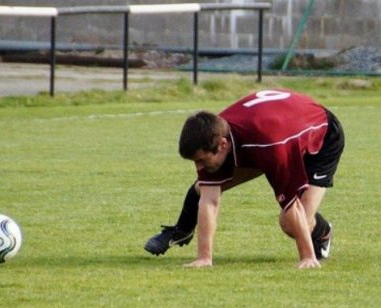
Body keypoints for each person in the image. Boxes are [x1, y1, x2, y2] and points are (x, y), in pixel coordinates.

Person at [144, 88, 344, 269]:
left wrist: (307, 257)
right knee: (202, 186)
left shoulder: (269, 147)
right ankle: (181, 231)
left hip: (321, 137)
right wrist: (204, 258)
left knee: (289, 223)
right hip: (272, 133)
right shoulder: (213, 132)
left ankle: (323, 233)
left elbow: (292, 205)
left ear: (223, 145)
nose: (198, 167)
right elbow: (210, 199)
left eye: (201, 160)